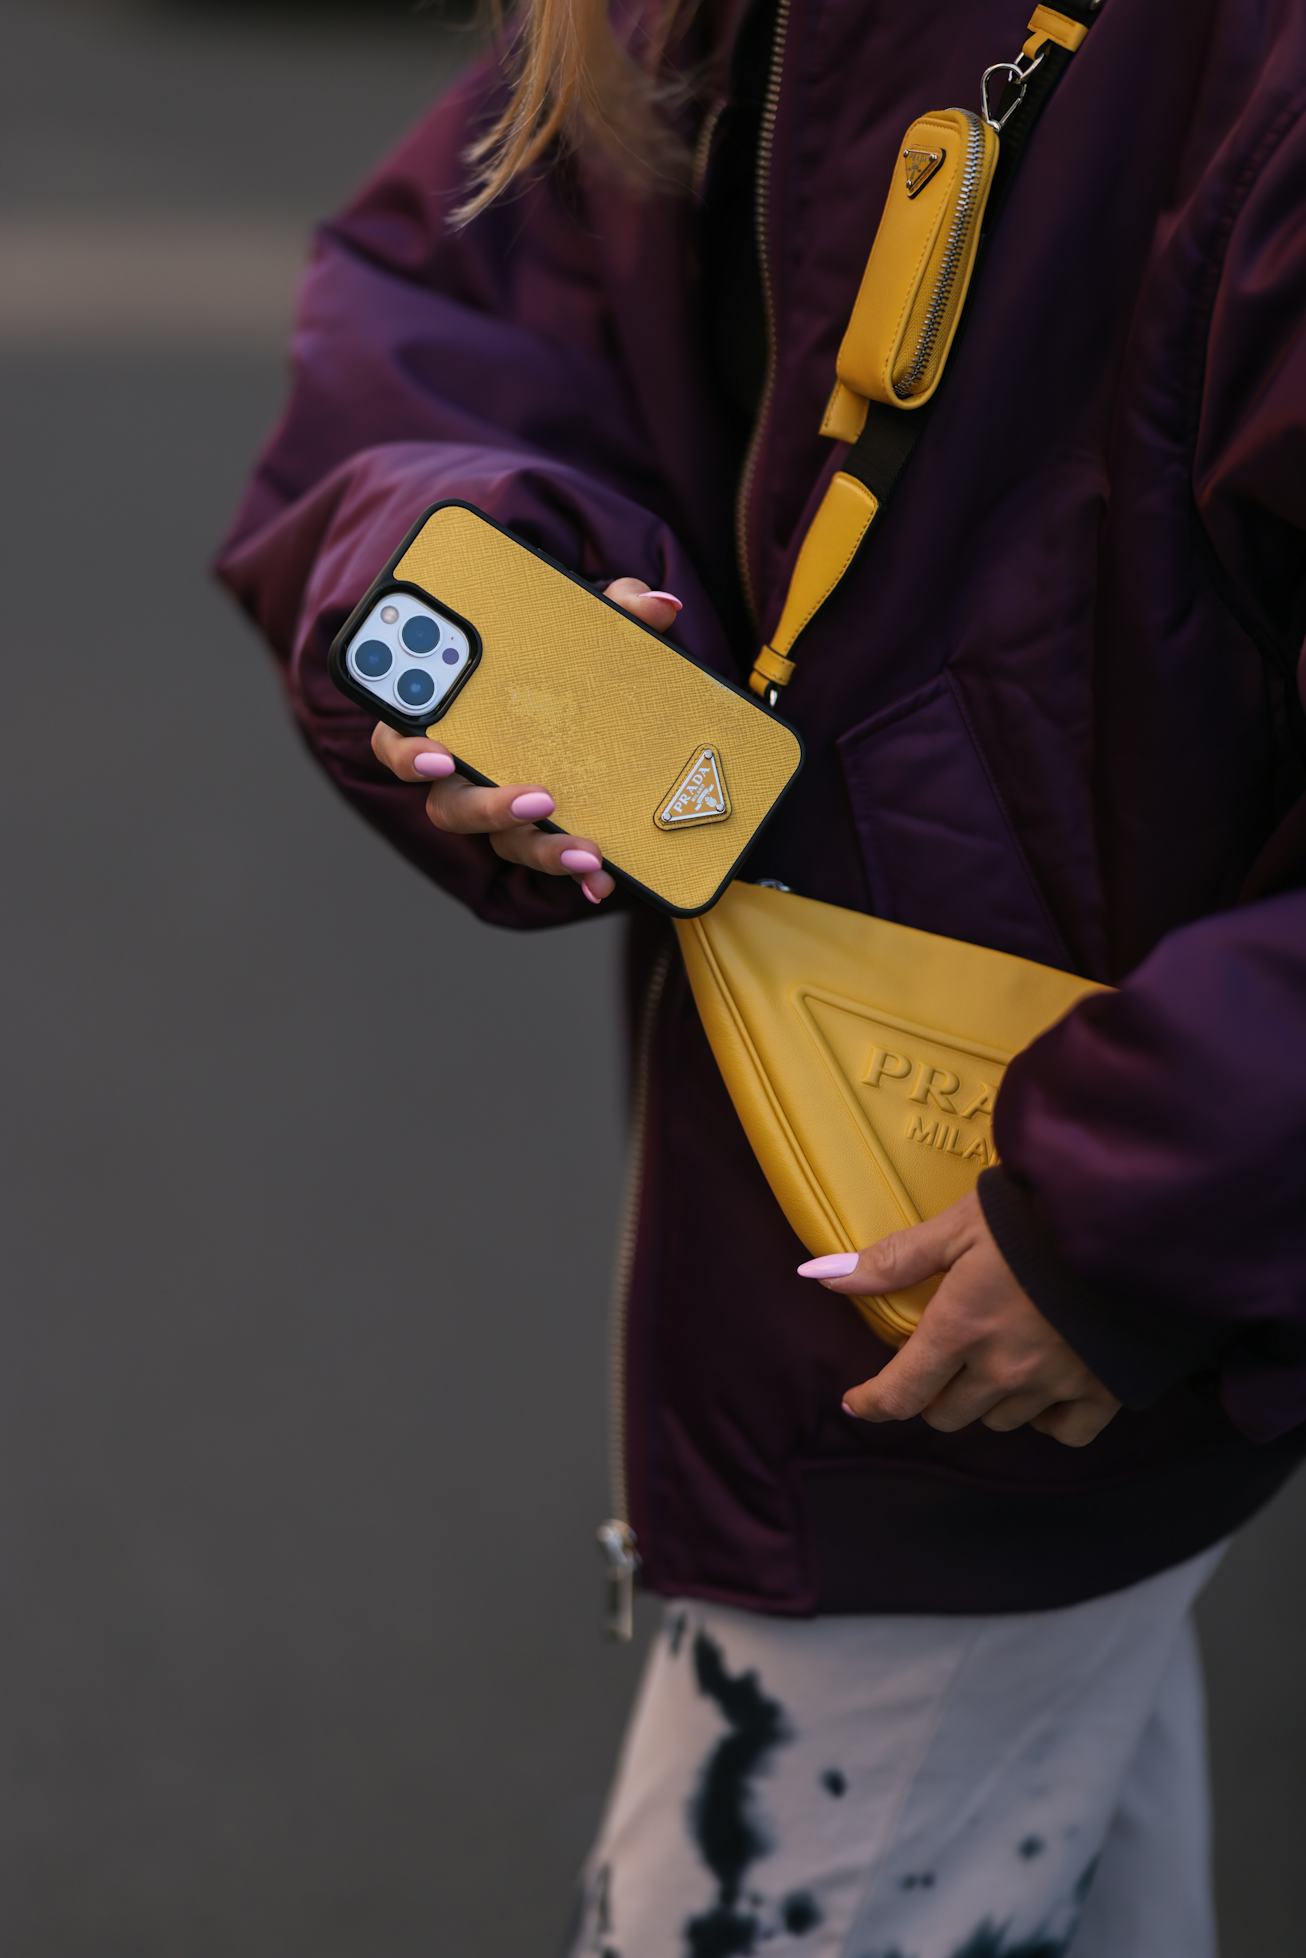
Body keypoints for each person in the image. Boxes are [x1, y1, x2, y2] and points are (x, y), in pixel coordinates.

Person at [215, 0, 1306, 1950]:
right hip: (930, 1247)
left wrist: (1145, 1207)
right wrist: (464, 559)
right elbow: (441, 300)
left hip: (991, 1272)